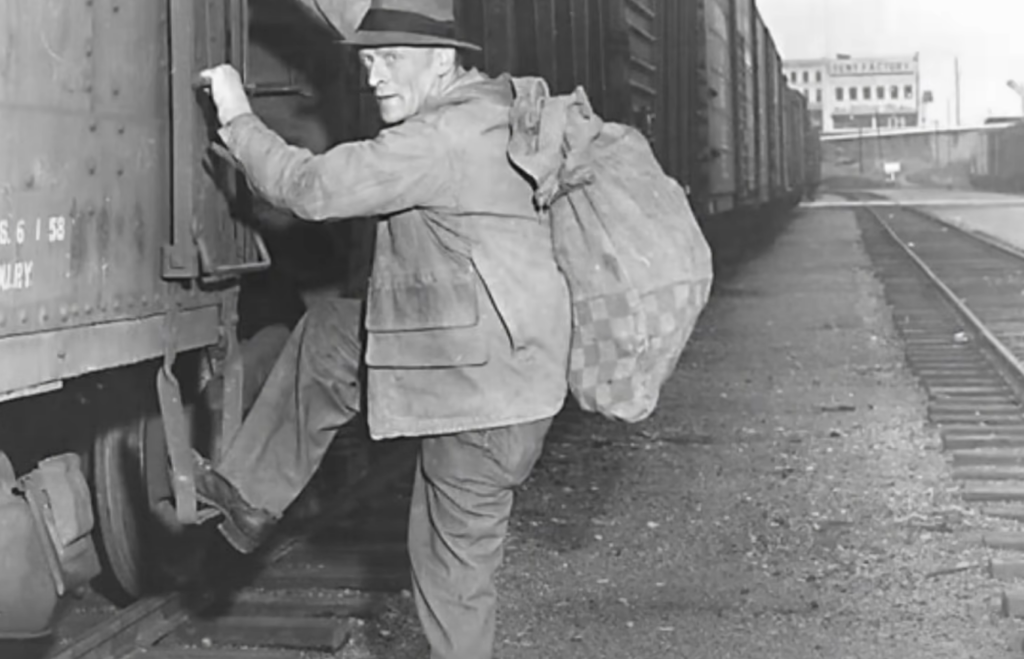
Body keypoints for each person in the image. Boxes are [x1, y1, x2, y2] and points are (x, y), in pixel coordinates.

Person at [193, 0, 572, 657]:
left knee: (451, 582)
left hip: (481, 403)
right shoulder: (492, 111)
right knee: (337, 333)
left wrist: (237, 115)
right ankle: (249, 495)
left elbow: (309, 188)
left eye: (392, 58)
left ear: (444, 59)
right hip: (495, 368)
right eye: (368, 59)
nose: (375, 76)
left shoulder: (438, 140)